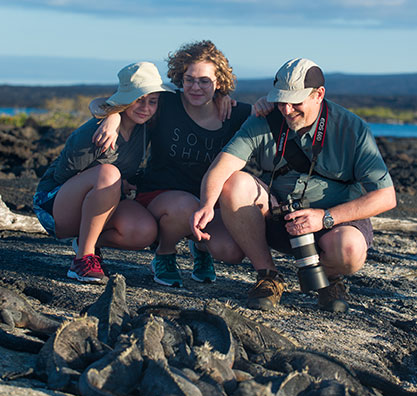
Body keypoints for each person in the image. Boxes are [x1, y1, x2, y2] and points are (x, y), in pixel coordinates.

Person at [191, 58, 396, 312]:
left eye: (295, 101)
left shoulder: (353, 129)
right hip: (277, 215)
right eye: (280, 100)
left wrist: (326, 217)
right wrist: (207, 204)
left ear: (319, 95)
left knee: (350, 250)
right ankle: (268, 276)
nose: (286, 110)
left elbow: (387, 197)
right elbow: (221, 167)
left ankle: (329, 278)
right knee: (232, 196)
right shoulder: (265, 118)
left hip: (334, 222)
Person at [90, 40, 253, 288]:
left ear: (218, 82)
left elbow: (273, 118)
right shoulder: (166, 104)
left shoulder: (234, 113)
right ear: (180, 78)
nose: (196, 87)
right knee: (187, 206)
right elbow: (108, 102)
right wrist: (112, 116)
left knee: (230, 251)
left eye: (204, 81)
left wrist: (265, 104)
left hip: (209, 203)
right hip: (160, 196)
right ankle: (164, 254)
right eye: (189, 79)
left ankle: (200, 247)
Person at [33, 62, 174, 284]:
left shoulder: (144, 127)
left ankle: (85, 240)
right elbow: (61, 178)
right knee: (108, 174)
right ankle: (84, 259)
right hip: (53, 204)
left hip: (98, 201)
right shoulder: (96, 133)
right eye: (138, 99)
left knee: (144, 231)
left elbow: (190, 104)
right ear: (125, 99)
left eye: (152, 101)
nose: (145, 107)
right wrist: (111, 117)